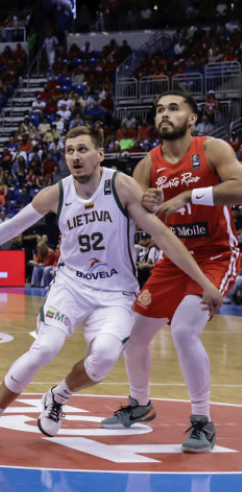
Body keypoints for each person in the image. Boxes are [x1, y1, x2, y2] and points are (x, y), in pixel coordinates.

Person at [0, 125, 222, 449]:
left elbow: (163, 237)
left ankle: (58, 396)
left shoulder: (121, 187)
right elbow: (11, 226)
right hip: (71, 287)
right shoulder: (57, 193)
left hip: (116, 292)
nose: (75, 156)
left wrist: (203, 282)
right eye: (70, 150)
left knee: (103, 357)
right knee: (44, 348)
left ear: (100, 154)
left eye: (83, 149)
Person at [101, 91, 242, 451]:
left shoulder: (213, 148)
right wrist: (144, 203)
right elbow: (136, 211)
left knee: (182, 330)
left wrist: (189, 196)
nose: (164, 114)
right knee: (134, 336)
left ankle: (202, 421)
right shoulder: (148, 164)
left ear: (192, 118)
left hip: (216, 256)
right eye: (160, 109)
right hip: (173, 260)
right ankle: (140, 405)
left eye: (174, 108)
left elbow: (240, 188)